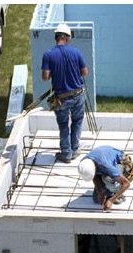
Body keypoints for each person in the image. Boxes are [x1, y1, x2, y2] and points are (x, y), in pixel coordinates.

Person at [41, 23, 89, 164]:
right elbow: (85, 72)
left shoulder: (48, 55)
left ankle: (66, 154)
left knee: (63, 125)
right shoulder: (76, 52)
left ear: (56, 37)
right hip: (78, 94)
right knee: (77, 121)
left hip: (61, 98)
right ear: (67, 38)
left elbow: (45, 77)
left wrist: (54, 73)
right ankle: (74, 149)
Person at [78, 145, 133, 211]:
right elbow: (94, 176)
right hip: (103, 162)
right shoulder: (84, 163)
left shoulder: (106, 166)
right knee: (96, 199)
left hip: (119, 162)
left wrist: (111, 200)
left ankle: (118, 195)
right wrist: (100, 191)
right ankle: (109, 192)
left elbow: (126, 184)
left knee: (107, 179)